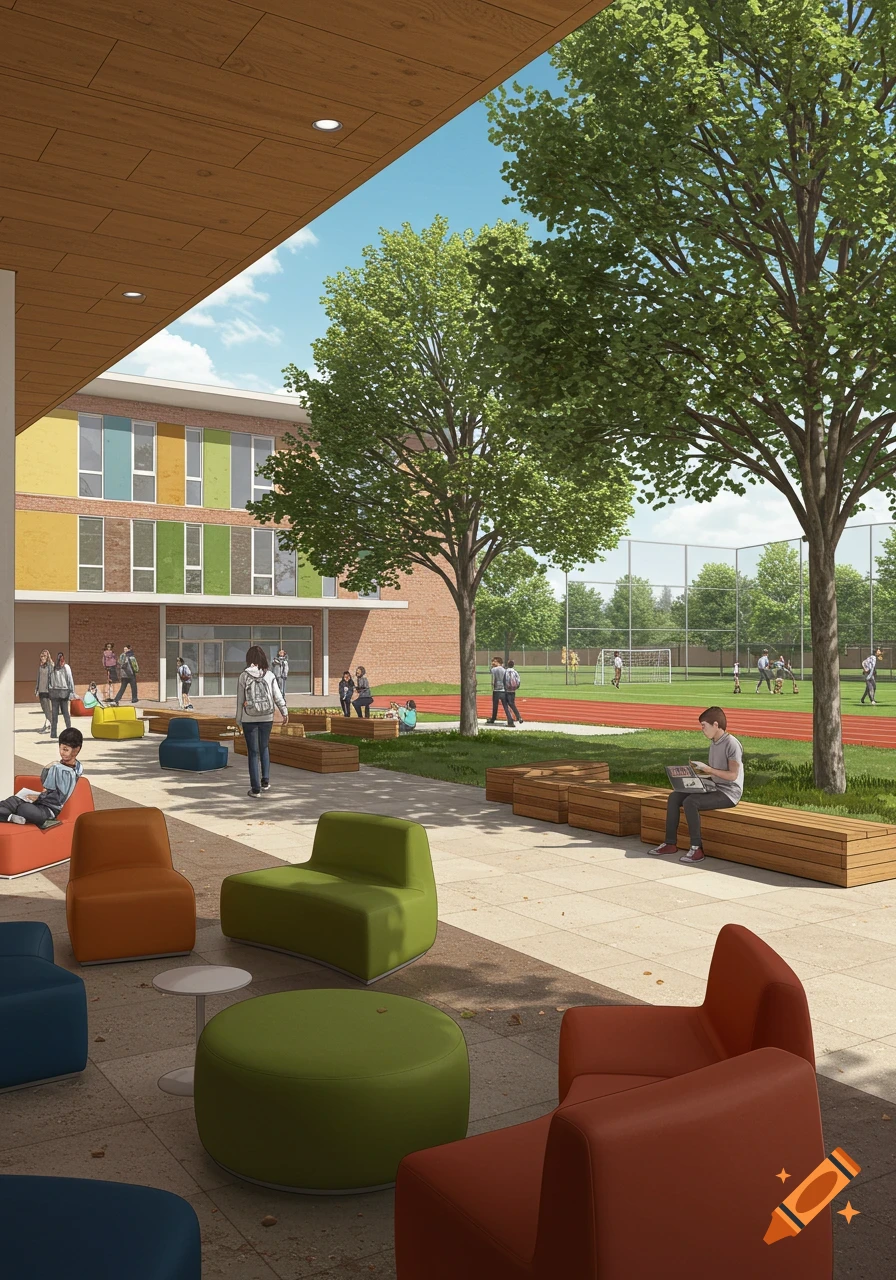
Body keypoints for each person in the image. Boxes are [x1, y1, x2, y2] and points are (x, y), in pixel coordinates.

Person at [650, 706, 744, 864]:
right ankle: (670, 843)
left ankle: (696, 848)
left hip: (729, 793)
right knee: (674, 797)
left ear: (715, 725)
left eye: (703, 726)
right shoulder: (714, 743)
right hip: (714, 786)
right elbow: (715, 772)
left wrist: (709, 770)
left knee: (690, 802)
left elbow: (733, 776)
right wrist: (697, 773)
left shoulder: (732, 744)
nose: (702, 729)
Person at [0, 727, 83, 830]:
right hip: (41, 801)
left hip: (49, 809)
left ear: (76, 750)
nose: (62, 752)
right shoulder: (60, 765)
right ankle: (10, 817)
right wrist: (47, 768)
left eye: (66, 750)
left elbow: (59, 798)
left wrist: (39, 797)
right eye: (61, 748)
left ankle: (8, 815)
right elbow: (45, 784)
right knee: (11, 801)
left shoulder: (68, 772)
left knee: (24, 808)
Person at [235, 645, 287, 798]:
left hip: (249, 718)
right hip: (267, 717)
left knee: (252, 752)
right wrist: (284, 711)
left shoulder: (243, 676)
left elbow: (240, 701)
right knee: (264, 747)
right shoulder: (269, 675)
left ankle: (255, 789)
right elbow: (277, 696)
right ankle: (265, 781)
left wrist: (238, 720)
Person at [47, 651, 75, 739]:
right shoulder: (53, 668)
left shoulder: (66, 667)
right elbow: (50, 679)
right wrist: (50, 689)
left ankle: (69, 731)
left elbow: (70, 680)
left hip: (64, 692)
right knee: (54, 714)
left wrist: (71, 692)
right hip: (55, 692)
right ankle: (53, 733)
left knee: (66, 713)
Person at [486, 657, 514, 726]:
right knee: (506, 706)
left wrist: (493, 666)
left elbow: (491, 674)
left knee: (495, 706)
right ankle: (510, 720)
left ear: (498, 662)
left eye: (494, 661)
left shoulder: (494, 669)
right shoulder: (505, 670)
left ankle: (493, 718)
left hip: (496, 690)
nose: (492, 663)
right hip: (503, 690)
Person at [35, 648, 53, 733]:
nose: (42, 657)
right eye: (41, 655)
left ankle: (50, 725)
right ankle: (49, 724)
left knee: (48, 709)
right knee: (44, 708)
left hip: (48, 691)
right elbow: (38, 679)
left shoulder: (51, 666)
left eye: (44, 656)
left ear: (47, 657)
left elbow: (53, 679)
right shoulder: (40, 667)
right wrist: (36, 689)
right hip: (41, 690)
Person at [504, 660, 523, 724]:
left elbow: (504, 680)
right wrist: (516, 687)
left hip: (507, 690)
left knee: (509, 704)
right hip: (513, 690)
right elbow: (518, 681)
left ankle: (516, 717)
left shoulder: (505, 671)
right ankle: (516, 717)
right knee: (512, 703)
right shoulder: (515, 672)